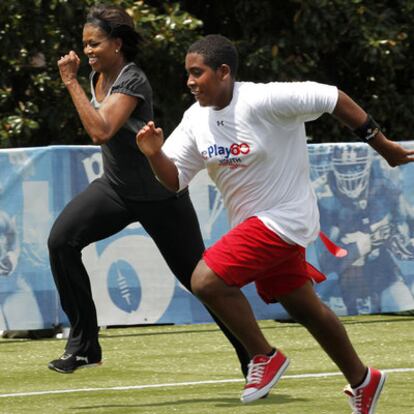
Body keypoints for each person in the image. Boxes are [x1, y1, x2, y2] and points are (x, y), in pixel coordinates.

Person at [136, 34, 414, 413]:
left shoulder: (263, 99)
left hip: (286, 218)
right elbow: (174, 180)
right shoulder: (194, 119)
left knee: (205, 280)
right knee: (305, 308)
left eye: (196, 73)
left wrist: (383, 146)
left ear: (223, 72)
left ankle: (263, 355)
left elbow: (333, 97)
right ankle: (363, 380)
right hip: (256, 226)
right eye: (188, 74)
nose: (189, 81)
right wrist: (153, 155)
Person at [47, 6, 250, 375]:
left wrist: (70, 82)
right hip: (116, 189)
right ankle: (85, 345)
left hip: (159, 195)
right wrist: (81, 79)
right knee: (61, 241)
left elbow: (101, 131)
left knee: (201, 282)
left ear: (118, 44)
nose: (88, 50)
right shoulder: (96, 74)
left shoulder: (133, 79)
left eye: (95, 43)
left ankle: (255, 355)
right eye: (85, 44)